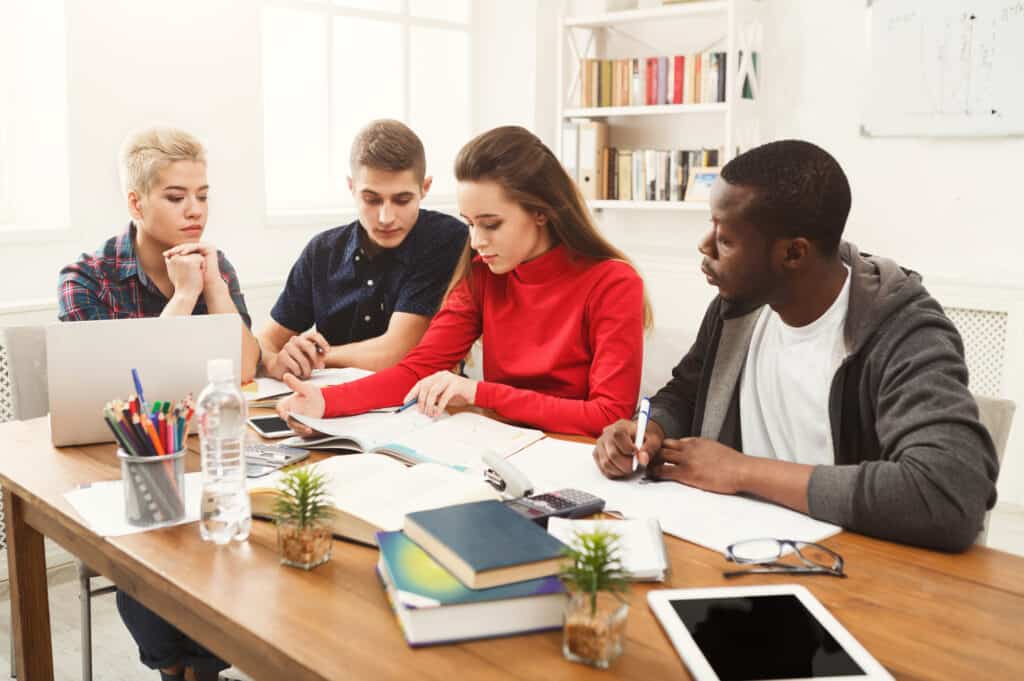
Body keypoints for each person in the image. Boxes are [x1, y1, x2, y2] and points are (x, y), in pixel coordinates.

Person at [593, 139, 999, 552]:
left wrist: (742, 472)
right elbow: (686, 391)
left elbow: (947, 492)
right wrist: (651, 429)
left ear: (793, 253)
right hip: (732, 545)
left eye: (726, 239)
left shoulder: (903, 332)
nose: (704, 245)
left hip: (854, 566)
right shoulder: (738, 306)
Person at [278, 125, 651, 437]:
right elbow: (416, 368)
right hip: (497, 446)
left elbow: (608, 416)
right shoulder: (483, 274)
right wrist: (325, 403)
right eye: (470, 223)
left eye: (491, 224)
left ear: (541, 212)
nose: (476, 241)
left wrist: (480, 393)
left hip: (573, 456)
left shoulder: (613, 283)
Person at [57, 126, 243, 681]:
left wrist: (214, 288)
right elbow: (122, 396)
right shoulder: (86, 278)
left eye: (204, 195)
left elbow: (247, 369)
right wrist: (184, 296)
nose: (196, 211)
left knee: (224, 510)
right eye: (177, 196)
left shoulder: (215, 262)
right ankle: (176, 669)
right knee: (152, 522)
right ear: (136, 202)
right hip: (119, 464)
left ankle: (201, 668)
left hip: (199, 451)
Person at [257, 119, 468, 378]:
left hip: (416, 407)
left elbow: (397, 352)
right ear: (351, 188)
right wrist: (276, 361)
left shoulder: (445, 238)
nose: (386, 217)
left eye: (402, 200)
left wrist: (315, 355)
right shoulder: (321, 251)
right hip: (326, 405)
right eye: (372, 199)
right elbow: (266, 342)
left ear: (425, 188)